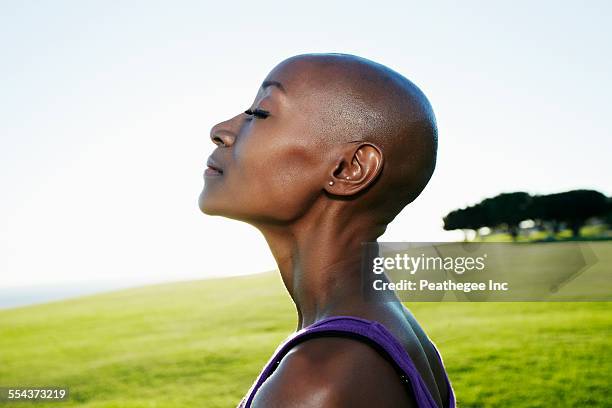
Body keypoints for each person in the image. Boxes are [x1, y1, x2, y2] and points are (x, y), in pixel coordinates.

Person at [199, 53, 455, 408]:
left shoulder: (318, 379)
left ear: (348, 169)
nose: (220, 131)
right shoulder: (394, 333)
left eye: (260, 113)